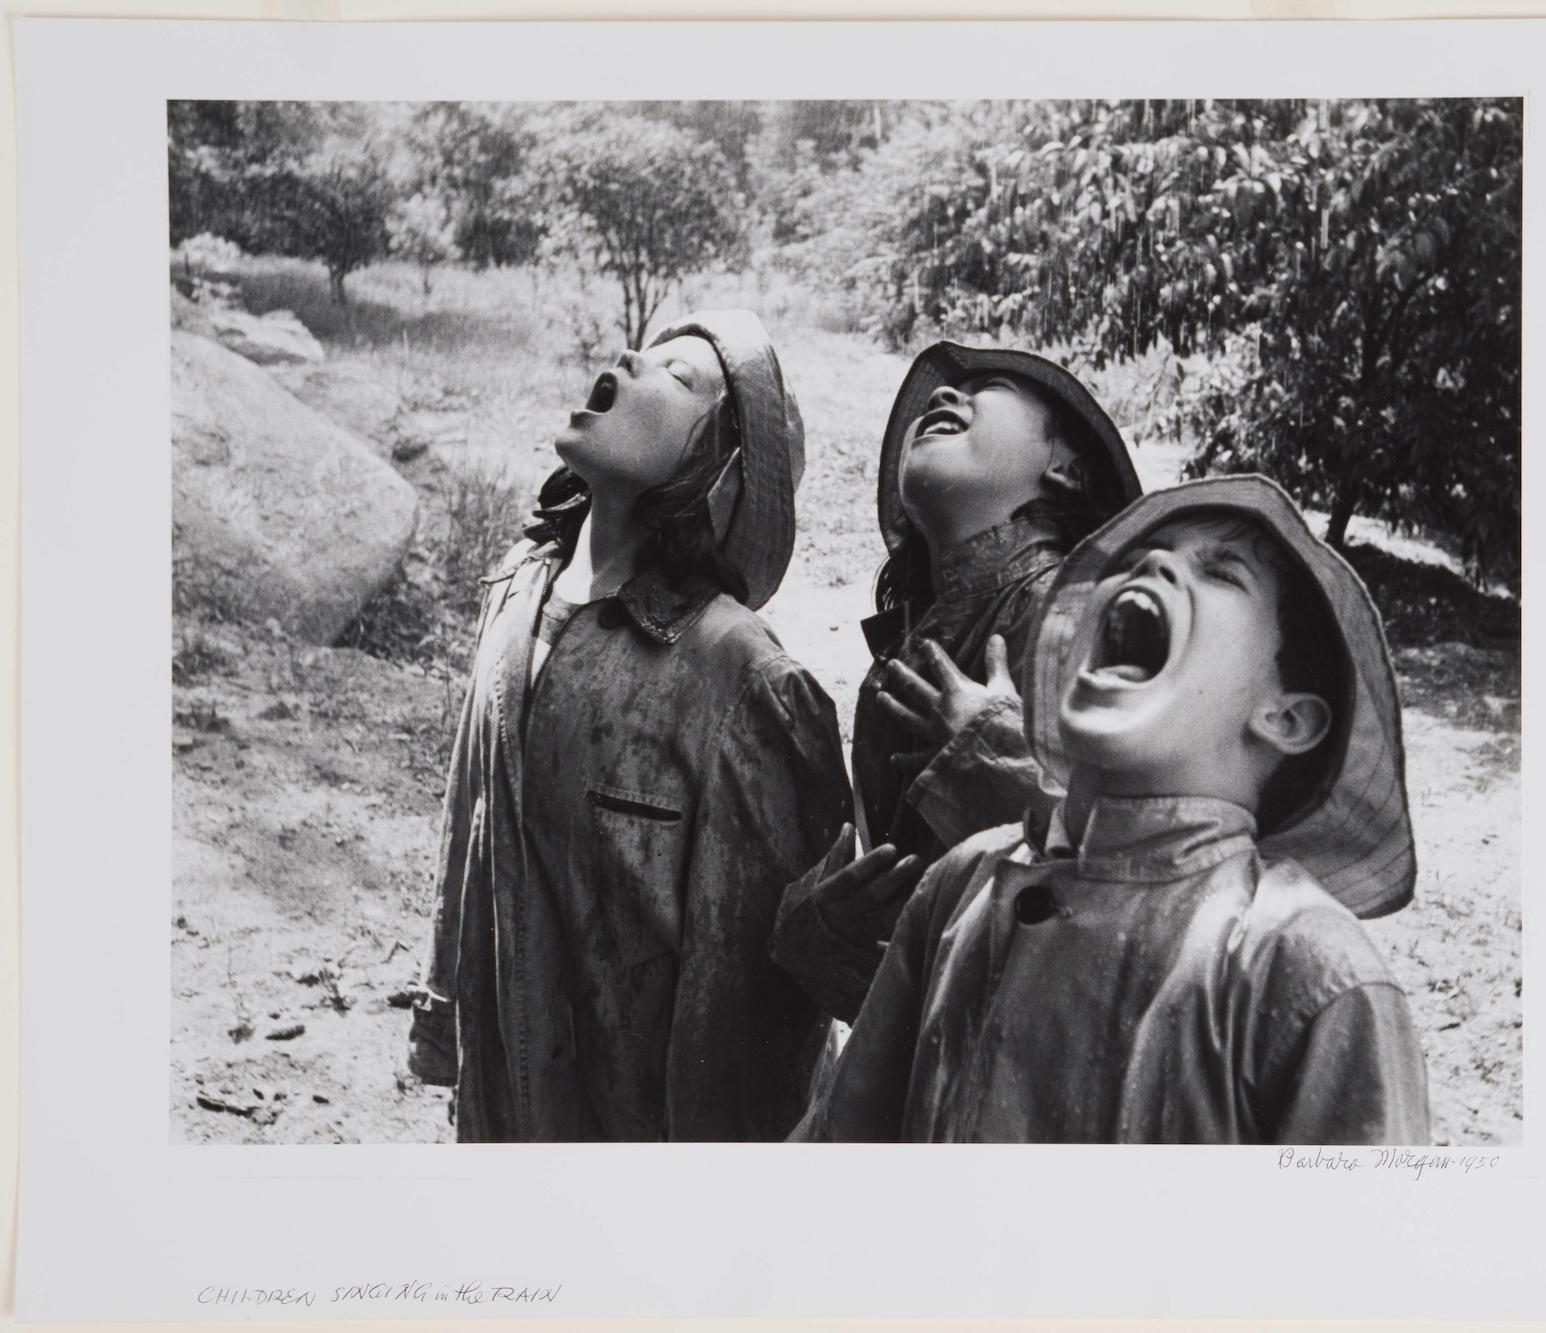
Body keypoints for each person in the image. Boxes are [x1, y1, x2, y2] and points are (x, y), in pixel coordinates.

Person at [797, 475, 1430, 1143]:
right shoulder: (961, 881)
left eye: (1220, 571)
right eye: (1131, 560)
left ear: (1285, 717)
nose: (1153, 562)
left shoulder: (1307, 969)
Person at [407, 310, 851, 1142]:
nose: (628, 358)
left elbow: (760, 1014)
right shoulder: (516, 588)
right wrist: (447, 1025)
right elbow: (470, 830)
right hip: (502, 1102)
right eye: (643, 349)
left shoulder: (744, 676)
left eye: (678, 377)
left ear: (718, 471)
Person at [770, 343, 1141, 1022]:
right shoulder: (901, 661)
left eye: (990, 386)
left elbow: (1152, 900)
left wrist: (999, 761)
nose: (946, 398)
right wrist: (822, 929)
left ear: (1066, 469)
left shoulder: (1086, 618)